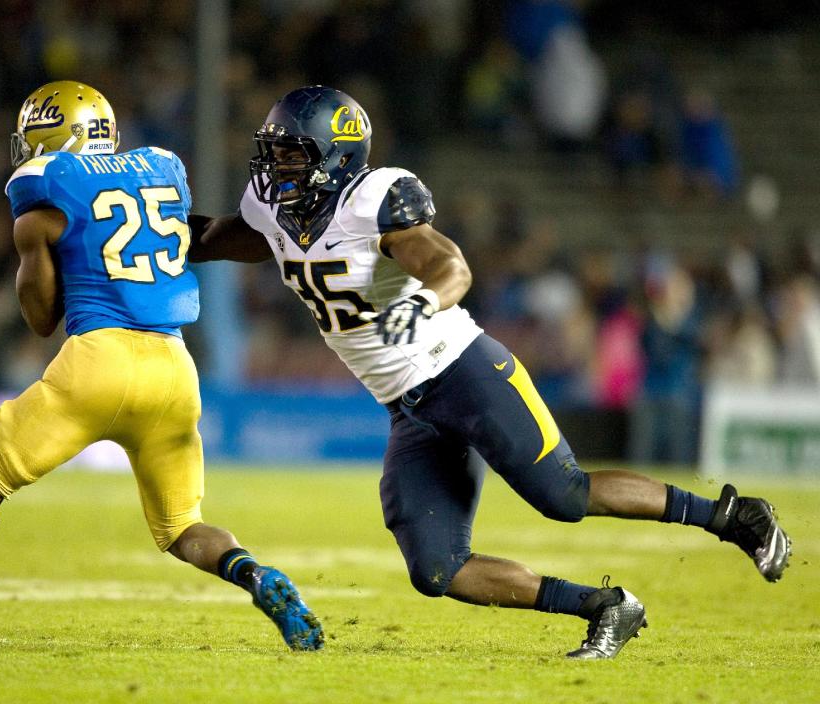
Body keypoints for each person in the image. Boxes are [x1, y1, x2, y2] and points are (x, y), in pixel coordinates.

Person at [186, 85, 792, 659]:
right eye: (273, 153)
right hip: (408, 408)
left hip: (463, 371)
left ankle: (734, 517)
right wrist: (138, 231)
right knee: (437, 569)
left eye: (291, 154)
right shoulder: (274, 208)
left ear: (335, 158)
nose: (276, 169)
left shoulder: (376, 200)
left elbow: (448, 263)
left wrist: (425, 301)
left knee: (565, 495)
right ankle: (606, 607)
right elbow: (218, 238)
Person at [0, 81, 323, 651]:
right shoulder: (161, 165)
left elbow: (40, 318)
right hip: (174, 370)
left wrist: (38, 246)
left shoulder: (42, 186)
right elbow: (189, 237)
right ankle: (257, 575)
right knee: (182, 526)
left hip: (98, 360)